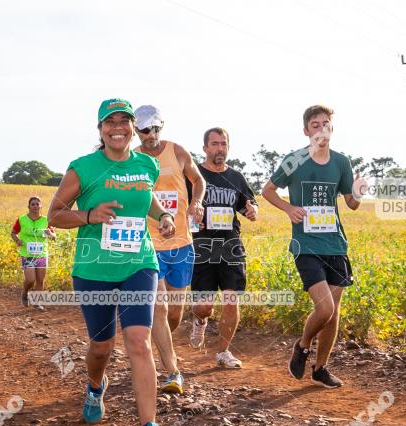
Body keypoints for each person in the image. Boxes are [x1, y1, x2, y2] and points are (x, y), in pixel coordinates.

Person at [47, 98, 177, 426]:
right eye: (110, 121)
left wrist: (163, 216)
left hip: (139, 263)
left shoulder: (147, 165)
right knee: (101, 346)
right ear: (100, 129)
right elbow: (54, 215)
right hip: (94, 269)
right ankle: (94, 384)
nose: (118, 127)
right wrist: (89, 215)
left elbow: (147, 198)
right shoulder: (83, 168)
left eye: (125, 121)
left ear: (133, 127)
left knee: (138, 340)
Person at [261, 105, 367, 388]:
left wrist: (357, 191)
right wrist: (288, 208)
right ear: (306, 130)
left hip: (335, 243)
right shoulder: (295, 160)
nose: (322, 129)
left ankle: (321, 369)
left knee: (334, 312)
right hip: (305, 244)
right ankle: (303, 345)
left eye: (326, 124)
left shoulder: (342, 162)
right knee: (324, 309)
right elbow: (267, 190)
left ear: (332, 128)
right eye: (315, 124)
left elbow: (352, 204)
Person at [134, 105, 206, 394]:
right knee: (160, 308)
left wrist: (197, 201)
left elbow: (198, 179)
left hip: (181, 243)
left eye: (155, 129)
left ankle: (161, 343)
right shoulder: (134, 159)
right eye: (144, 130)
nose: (151, 135)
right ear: (137, 131)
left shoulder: (177, 151)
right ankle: (172, 371)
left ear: (161, 127)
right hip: (149, 242)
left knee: (174, 312)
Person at [189, 128, 258, 368]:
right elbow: (184, 207)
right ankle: (199, 321)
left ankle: (223, 352)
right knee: (204, 305)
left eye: (224, 143)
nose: (220, 148)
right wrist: (193, 217)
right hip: (202, 245)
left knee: (231, 299)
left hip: (230, 244)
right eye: (215, 144)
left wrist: (252, 211)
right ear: (205, 148)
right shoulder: (194, 175)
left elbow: (249, 204)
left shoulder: (237, 177)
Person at [12, 196, 56, 309]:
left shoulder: (46, 220)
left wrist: (51, 234)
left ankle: (37, 302)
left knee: (40, 280)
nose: (35, 206)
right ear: (29, 206)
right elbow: (13, 233)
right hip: (27, 254)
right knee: (30, 280)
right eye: (33, 204)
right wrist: (18, 240)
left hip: (41, 254)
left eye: (37, 204)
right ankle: (25, 293)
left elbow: (53, 236)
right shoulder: (22, 219)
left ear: (41, 206)